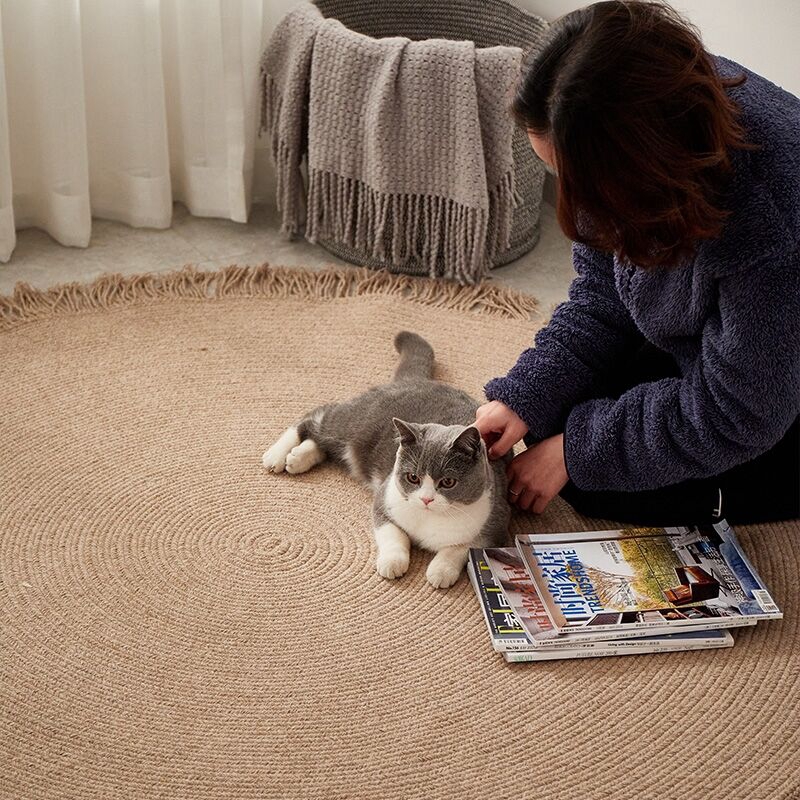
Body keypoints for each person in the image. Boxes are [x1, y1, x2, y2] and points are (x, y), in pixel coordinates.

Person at [473, 0, 800, 526]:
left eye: (576, 180)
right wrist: (525, 395)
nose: (572, 201)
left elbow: (738, 413)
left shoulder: (769, 225)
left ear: (636, 163)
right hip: (733, 335)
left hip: (777, 389)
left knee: (591, 483)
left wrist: (572, 454)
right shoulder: (643, 108)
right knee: (543, 418)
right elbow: (604, 295)